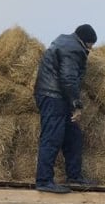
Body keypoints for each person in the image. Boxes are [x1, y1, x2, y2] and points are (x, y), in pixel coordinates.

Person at [33, 24, 98, 194]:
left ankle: (74, 176)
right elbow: (68, 78)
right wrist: (76, 105)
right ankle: (44, 180)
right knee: (52, 137)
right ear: (87, 41)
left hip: (58, 96)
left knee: (73, 136)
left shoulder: (66, 42)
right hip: (53, 95)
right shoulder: (74, 49)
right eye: (92, 44)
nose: (91, 48)